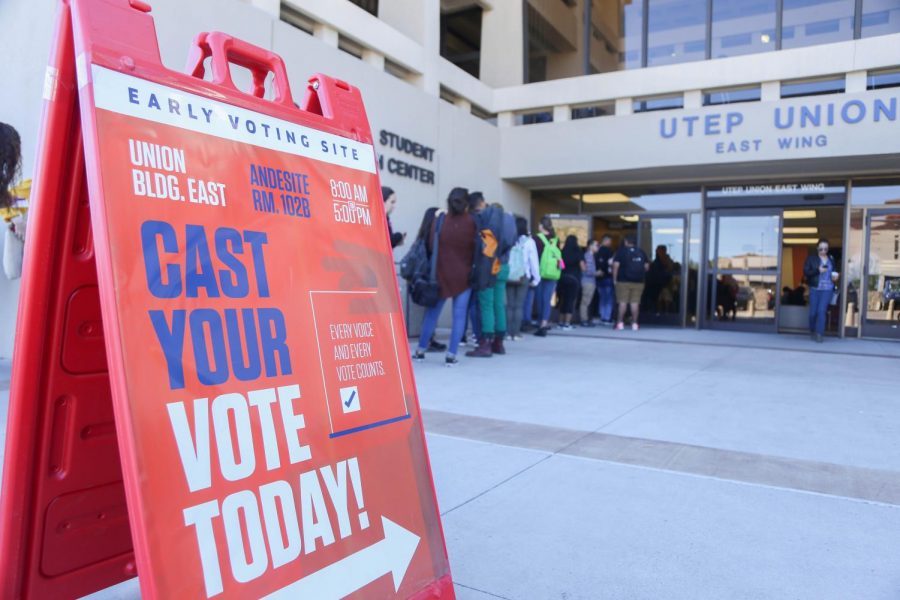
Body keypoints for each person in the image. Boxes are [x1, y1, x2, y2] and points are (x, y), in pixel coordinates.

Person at [413, 188, 475, 366]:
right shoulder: (472, 223)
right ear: (466, 204)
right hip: (464, 276)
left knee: (432, 314)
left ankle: (420, 350)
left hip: (440, 274)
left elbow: (432, 246)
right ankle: (451, 355)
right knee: (459, 316)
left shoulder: (439, 221)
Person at [467, 196, 514, 357]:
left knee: (486, 305)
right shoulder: (509, 221)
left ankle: (485, 344)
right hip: (504, 266)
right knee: (499, 304)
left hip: (489, 267)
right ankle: (499, 344)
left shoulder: (488, 221)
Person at [410, 207, 447, 353]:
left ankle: (427, 341)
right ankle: (425, 343)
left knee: (429, 312)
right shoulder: (436, 235)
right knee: (432, 312)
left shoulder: (422, 236)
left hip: (421, 279)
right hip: (433, 279)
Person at [506, 216, 539, 340]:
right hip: (523, 275)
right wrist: (536, 279)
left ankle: (508, 333)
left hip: (510, 275)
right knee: (519, 306)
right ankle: (516, 333)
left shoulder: (509, 239)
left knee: (510, 305)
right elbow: (533, 261)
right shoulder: (529, 242)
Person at [803, 238, 839, 343]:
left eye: (825, 249)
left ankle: (819, 334)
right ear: (817, 248)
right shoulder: (811, 259)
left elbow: (834, 272)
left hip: (827, 289)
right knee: (813, 313)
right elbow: (806, 272)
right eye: (821, 249)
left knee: (821, 311)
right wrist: (817, 270)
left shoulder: (831, 259)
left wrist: (835, 277)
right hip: (815, 288)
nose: (823, 251)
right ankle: (812, 329)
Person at [612, 234, 649, 331]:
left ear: (626, 242)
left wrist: (615, 279)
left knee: (622, 302)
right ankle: (635, 324)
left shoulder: (621, 252)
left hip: (623, 281)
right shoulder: (641, 252)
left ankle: (620, 323)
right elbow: (646, 267)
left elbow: (615, 266)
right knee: (635, 303)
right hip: (638, 282)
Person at [533, 216, 561, 337]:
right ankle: (545, 322)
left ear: (541, 226)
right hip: (553, 272)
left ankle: (540, 323)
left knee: (539, 298)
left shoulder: (536, 238)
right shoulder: (556, 239)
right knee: (547, 299)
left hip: (539, 271)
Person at [556, 235, 582, 329]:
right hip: (574, 279)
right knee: (570, 301)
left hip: (562, 278)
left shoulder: (562, 252)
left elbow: (559, 265)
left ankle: (560, 322)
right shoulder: (578, 252)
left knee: (562, 300)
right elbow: (582, 267)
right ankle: (567, 323)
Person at [595, 235, 615, 325]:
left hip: (598, 278)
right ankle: (607, 318)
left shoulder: (596, 251)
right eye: (610, 241)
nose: (610, 243)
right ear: (606, 241)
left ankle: (602, 316)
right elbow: (611, 264)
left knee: (602, 298)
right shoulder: (609, 251)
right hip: (607, 277)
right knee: (609, 298)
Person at [579, 239, 600, 327]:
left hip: (589, 281)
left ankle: (586, 319)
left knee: (587, 301)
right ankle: (584, 320)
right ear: (590, 246)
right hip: (588, 281)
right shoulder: (588, 256)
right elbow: (587, 270)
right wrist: (597, 273)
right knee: (585, 302)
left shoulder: (591, 256)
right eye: (596, 245)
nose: (597, 247)